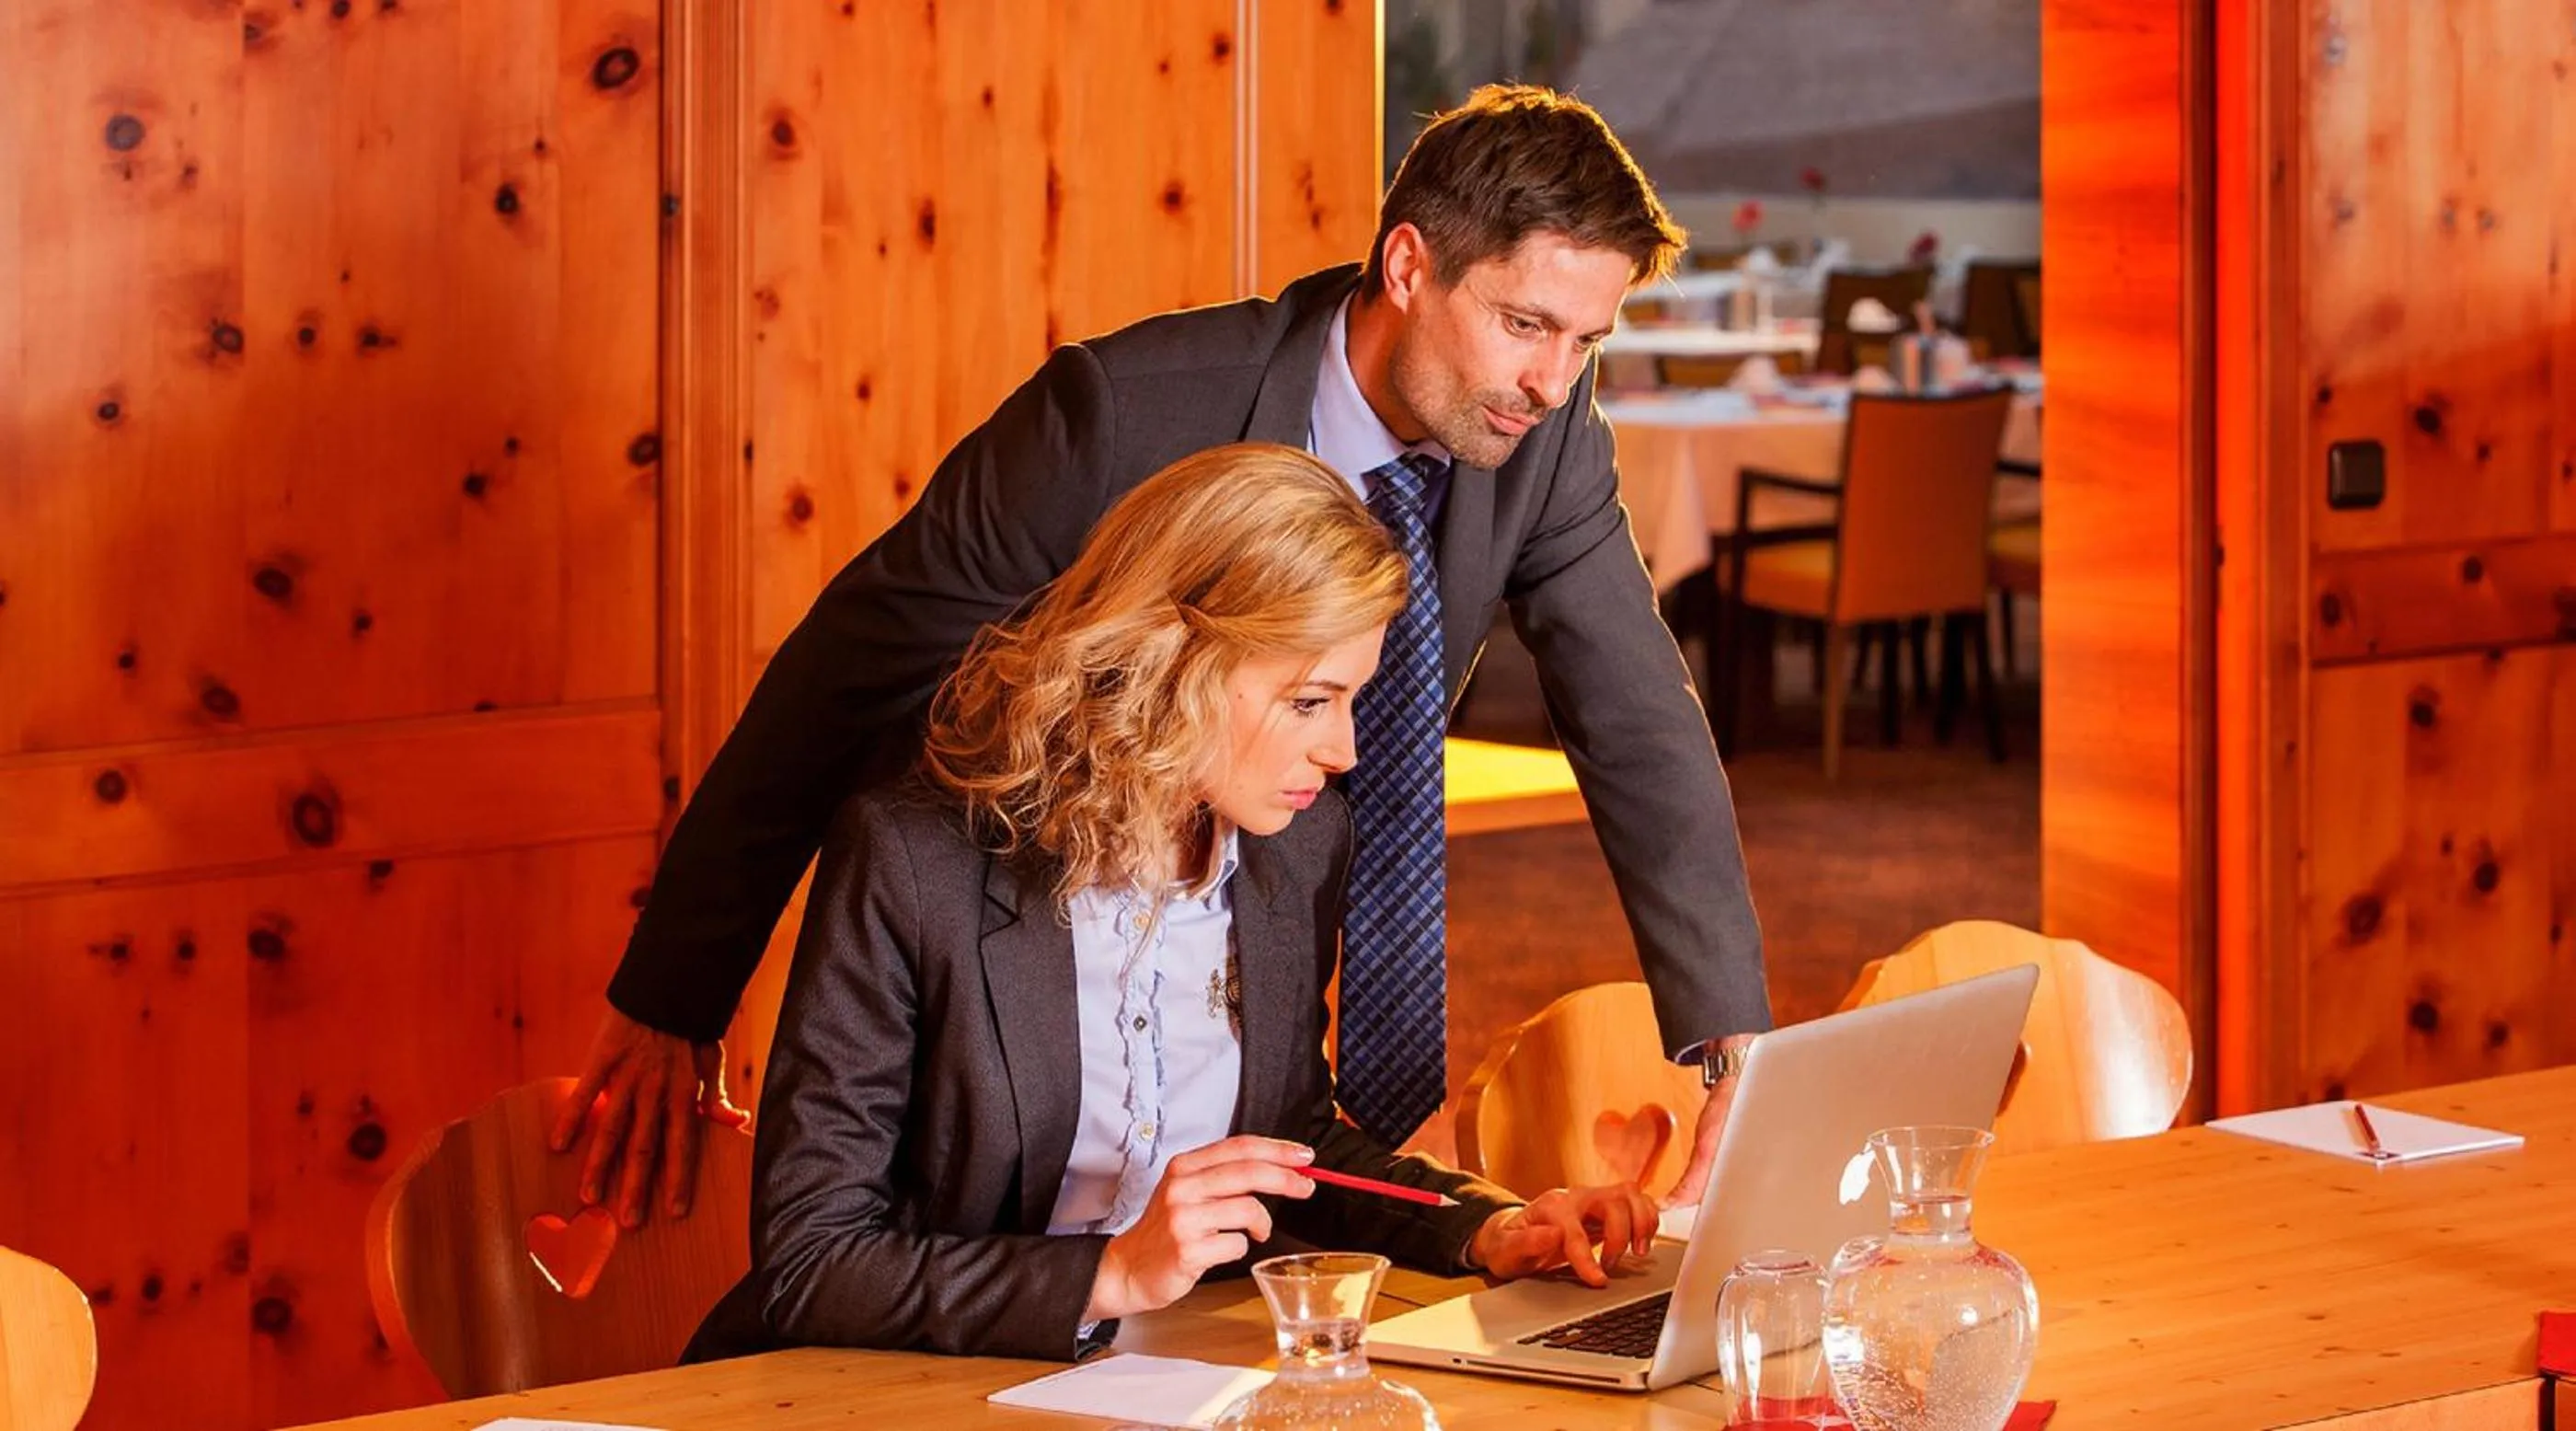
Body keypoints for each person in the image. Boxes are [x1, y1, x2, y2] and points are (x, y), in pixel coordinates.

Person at [557, 82, 1771, 1228]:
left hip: (1268, 952)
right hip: (1032, 947)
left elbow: (1639, 723)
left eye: (1586, 342)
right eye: (1525, 324)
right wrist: (676, 991)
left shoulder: (1544, 439)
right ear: (1409, 264)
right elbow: (844, 672)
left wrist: (1735, 1039)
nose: (1552, 381)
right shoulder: (1121, 414)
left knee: (1299, 1203)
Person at [683, 444, 1657, 1361]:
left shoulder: (1294, 846)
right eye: (1309, 701)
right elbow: (811, 1261)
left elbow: (1293, 1142)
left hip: (1156, 1379)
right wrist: (1104, 1276)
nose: (1344, 749)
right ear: (1172, 664)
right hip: (882, 1393)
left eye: (1350, 699)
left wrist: (1486, 1224)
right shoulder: (915, 857)